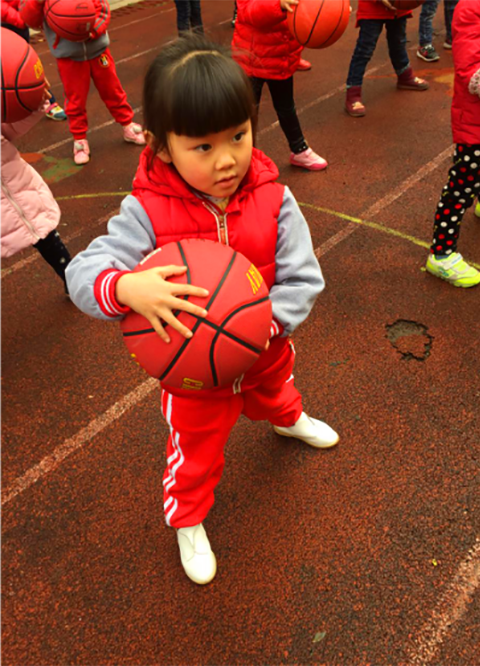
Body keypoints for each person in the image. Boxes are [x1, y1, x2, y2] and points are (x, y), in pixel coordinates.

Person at [66, 35, 339, 585]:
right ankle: (187, 518)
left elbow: (305, 278)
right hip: (194, 378)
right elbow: (83, 273)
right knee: (194, 453)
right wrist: (126, 288)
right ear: (163, 147)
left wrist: (258, 327)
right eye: (203, 147)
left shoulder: (274, 199)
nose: (228, 159)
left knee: (279, 389)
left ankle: (288, 421)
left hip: (265, 351)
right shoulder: (145, 212)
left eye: (238, 135)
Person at [426, 0, 480, 287]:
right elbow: (474, 68)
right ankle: (441, 254)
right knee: (463, 184)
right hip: (477, 120)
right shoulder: (472, 7)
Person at [20, 0, 146, 166]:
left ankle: (127, 124)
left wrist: (92, 31)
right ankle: (79, 140)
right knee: (75, 100)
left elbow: (103, 8)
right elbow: (31, 20)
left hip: (99, 50)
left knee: (113, 90)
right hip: (69, 58)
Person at [232, 0, 326, 171]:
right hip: (252, 59)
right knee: (247, 113)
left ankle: (299, 149)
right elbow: (249, 12)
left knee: (286, 107)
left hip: (281, 57)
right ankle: (245, 158)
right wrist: (278, 4)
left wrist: (333, 9)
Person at [0, 105, 71, 292]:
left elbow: (11, 126)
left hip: (21, 190)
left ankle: (72, 281)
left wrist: (34, 103)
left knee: (46, 235)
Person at [345, 0, 430, 117]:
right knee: (364, 51)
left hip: (398, 9)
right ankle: (353, 92)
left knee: (398, 43)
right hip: (372, 8)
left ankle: (405, 76)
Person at [0, 0, 67, 121]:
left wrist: (31, 13)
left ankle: (47, 101)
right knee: (7, 70)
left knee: (29, 66)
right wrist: (20, 19)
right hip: (6, 25)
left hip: (20, 22)